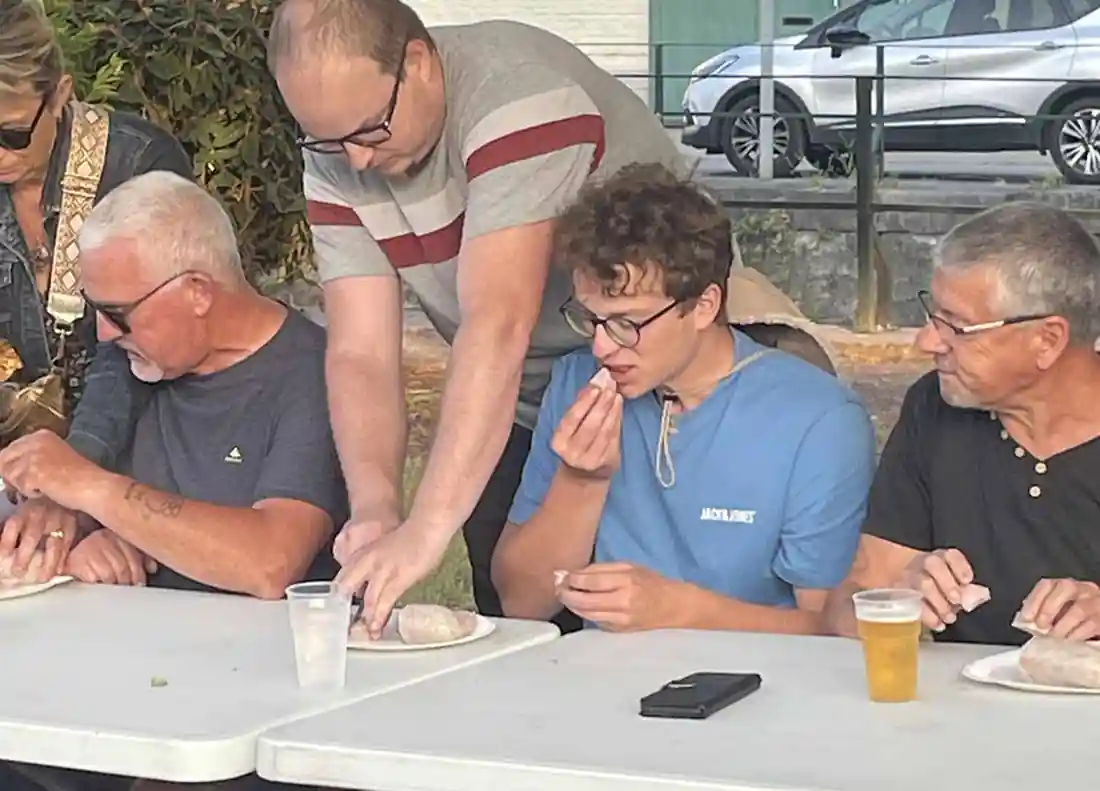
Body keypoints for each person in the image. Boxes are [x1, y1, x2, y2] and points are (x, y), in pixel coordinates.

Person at [264, 0, 691, 638]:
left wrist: (427, 529)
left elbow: (498, 323)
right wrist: (380, 510)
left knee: (656, 633)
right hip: (523, 399)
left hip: (660, 388)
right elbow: (361, 353)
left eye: (369, 130)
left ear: (418, 63)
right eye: (326, 140)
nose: (353, 160)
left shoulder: (516, 96)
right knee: (523, 630)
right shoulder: (341, 140)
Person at [491, 163, 876, 633]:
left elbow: (832, 631)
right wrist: (580, 481)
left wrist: (682, 612)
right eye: (590, 319)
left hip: (763, 684)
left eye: (626, 323)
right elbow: (520, 603)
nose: (602, 347)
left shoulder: (818, 420)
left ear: (704, 306)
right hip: (602, 682)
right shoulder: (576, 383)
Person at [0, 170, 345, 600]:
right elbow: (99, 512)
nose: (105, 333)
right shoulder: (137, 360)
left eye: (118, 313)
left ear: (197, 292)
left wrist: (89, 488)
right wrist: (74, 548)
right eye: (96, 312)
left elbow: (270, 563)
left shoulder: (317, 373)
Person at [824, 201, 1100, 646]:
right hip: (956, 712)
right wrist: (896, 604)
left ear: (1047, 340)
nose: (926, 341)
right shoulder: (933, 408)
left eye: (957, 326)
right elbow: (842, 612)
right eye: (934, 317)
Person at [0, 0, 193, 583]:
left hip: (133, 464)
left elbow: (136, 350)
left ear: (60, 95)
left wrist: (72, 480)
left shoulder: (137, 166)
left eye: (9, 133)